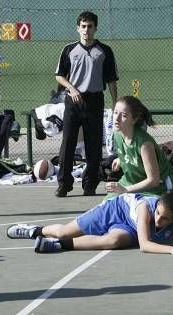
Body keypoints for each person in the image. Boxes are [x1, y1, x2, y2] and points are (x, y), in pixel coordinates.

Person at [7, 192, 173, 255]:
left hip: (129, 226)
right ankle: (34, 230)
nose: (158, 219)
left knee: (115, 240)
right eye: (159, 214)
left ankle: (56, 245)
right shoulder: (147, 208)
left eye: (164, 218)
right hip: (115, 209)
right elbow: (145, 245)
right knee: (63, 231)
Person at [54, 11, 118, 197]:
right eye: (83, 26)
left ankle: (89, 185)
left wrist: (115, 103)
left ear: (95, 28)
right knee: (68, 143)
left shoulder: (104, 51)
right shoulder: (68, 50)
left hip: (95, 101)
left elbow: (112, 79)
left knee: (93, 145)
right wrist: (72, 89)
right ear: (78, 28)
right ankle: (64, 184)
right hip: (73, 102)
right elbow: (59, 75)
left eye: (90, 26)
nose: (86, 30)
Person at [105, 96, 173, 199]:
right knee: (107, 205)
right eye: (115, 112)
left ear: (134, 119)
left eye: (124, 115)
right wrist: (121, 159)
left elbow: (153, 180)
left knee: (141, 209)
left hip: (158, 186)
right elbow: (132, 155)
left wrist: (125, 190)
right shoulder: (118, 134)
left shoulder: (144, 144)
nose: (116, 118)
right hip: (133, 180)